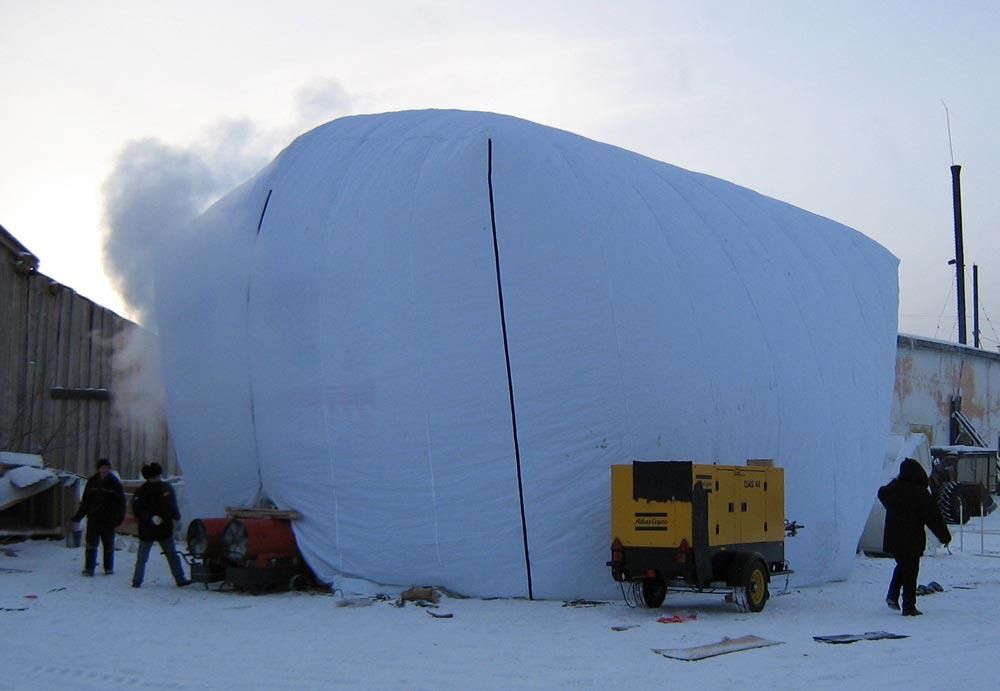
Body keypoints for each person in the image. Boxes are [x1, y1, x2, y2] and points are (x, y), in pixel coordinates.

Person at [878, 457, 951, 616]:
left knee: (902, 566)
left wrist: (895, 481)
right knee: (910, 570)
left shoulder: (893, 489)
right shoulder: (920, 493)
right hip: (912, 539)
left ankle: (892, 595)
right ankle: (909, 606)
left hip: (894, 538)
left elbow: (882, 493)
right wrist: (945, 537)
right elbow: (934, 518)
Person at [131, 462, 191, 588]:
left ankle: (180, 579)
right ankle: (137, 580)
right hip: (147, 529)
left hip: (164, 528)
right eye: (155, 476)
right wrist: (150, 518)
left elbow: (172, 505)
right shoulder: (141, 492)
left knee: (172, 555)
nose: (157, 478)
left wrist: (177, 518)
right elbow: (137, 510)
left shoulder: (167, 488)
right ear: (149, 477)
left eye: (158, 476)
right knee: (142, 557)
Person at [71, 458, 126, 576]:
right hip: (93, 519)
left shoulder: (115, 483)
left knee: (108, 545)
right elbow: (85, 502)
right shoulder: (92, 482)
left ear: (109, 469)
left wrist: (118, 519)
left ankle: (108, 568)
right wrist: (78, 517)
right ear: (98, 469)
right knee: (91, 544)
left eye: (107, 468)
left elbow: (121, 503)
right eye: (102, 468)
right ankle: (89, 568)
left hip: (109, 520)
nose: (104, 470)